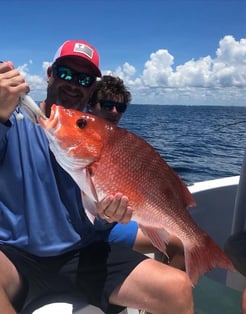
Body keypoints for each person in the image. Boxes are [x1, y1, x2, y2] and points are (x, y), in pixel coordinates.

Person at [0, 40, 194, 314]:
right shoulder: (11, 118)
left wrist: (110, 215)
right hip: (15, 255)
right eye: (66, 73)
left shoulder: (96, 134)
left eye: (84, 78)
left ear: (91, 87)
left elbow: (99, 219)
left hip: (80, 252)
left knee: (176, 288)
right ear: (50, 73)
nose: (74, 84)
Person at [88, 75, 185, 269]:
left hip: (113, 222)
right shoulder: (76, 143)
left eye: (120, 107)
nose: (114, 112)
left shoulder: (122, 143)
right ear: (90, 105)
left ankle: (161, 292)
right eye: (106, 105)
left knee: (179, 244)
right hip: (91, 229)